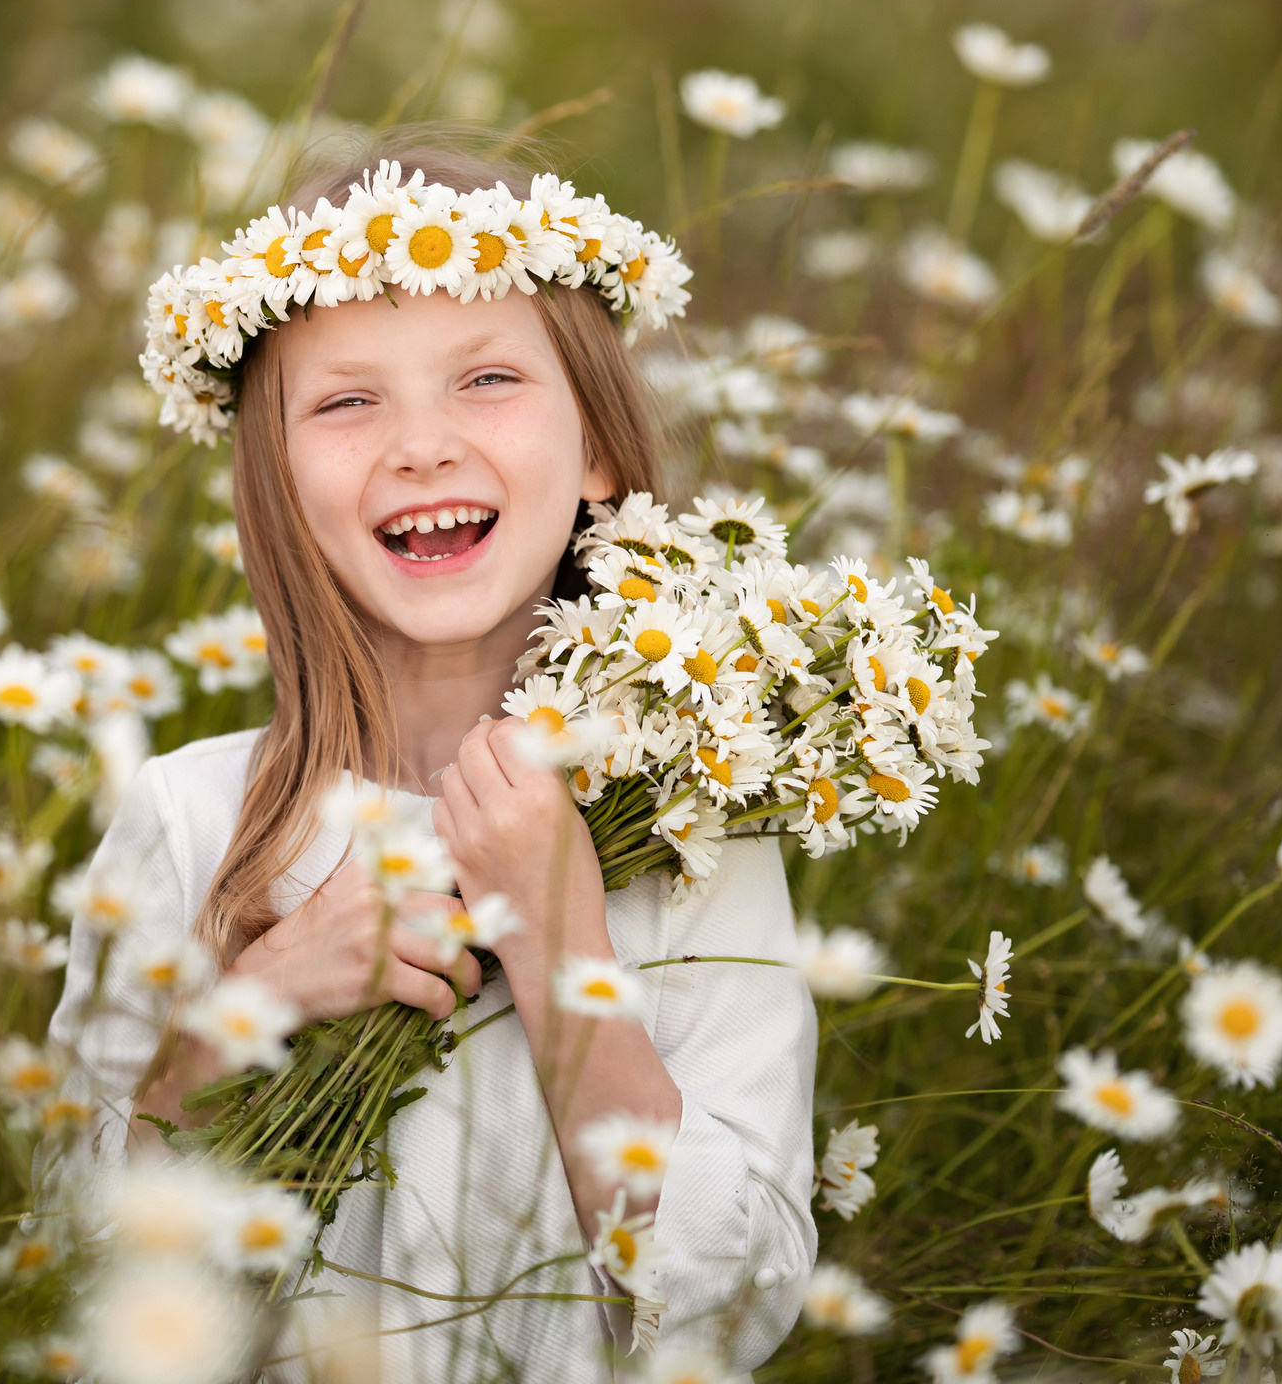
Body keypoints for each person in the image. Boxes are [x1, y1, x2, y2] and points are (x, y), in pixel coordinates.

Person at [46, 136, 817, 1381]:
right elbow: (71, 1261)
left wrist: (563, 942)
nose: (422, 446)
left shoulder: (690, 836)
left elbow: (738, 1312)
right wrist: (243, 1014)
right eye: (348, 400)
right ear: (275, 477)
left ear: (599, 452)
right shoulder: (192, 818)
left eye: (489, 379)